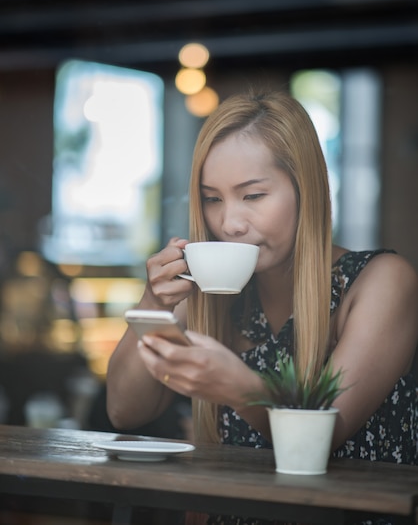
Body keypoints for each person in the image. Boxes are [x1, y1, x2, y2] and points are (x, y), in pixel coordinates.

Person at [107, 90, 418, 525]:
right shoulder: (216, 295)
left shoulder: (381, 281)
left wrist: (238, 387)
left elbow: (323, 435)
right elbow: (125, 411)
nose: (229, 223)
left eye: (252, 196)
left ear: (305, 189)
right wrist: (154, 301)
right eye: (212, 199)